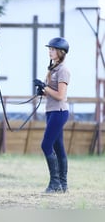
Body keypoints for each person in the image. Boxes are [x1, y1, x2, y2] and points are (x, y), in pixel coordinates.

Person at [34, 37, 70, 193]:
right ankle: (63, 185)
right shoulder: (52, 69)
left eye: (53, 49)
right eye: (49, 49)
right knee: (58, 147)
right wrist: (42, 92)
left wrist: (45, 88)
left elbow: (61, 96)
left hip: (59, 112)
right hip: (51, 111)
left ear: (60, 52)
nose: (50, 51)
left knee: (46, 145)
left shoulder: (63, 70)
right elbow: (51, 93)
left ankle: (55, 183)